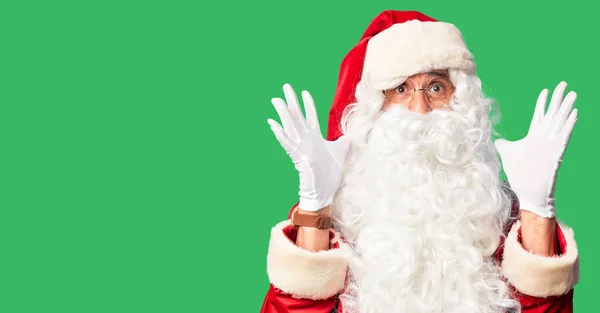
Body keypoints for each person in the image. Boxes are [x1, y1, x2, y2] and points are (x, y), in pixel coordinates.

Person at [260, 10, 580, 313]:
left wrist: (537, 211)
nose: (420, 107)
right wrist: (316, 206)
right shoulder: (345, 215)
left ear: (464, 103)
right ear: (375, 109)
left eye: (436, 87)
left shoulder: (495, 214)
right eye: (401, 89)